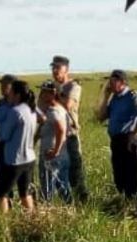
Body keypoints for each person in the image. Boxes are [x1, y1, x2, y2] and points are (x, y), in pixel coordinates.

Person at [98, 69, 137, 199]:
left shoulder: (133, 96)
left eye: (113, 81)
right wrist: (106, 96)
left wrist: (134, 135)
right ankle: (122, 198)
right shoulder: (114, 98)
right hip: (116, 140)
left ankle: (132, 199)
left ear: (122, 82)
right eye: (109, 81)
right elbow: (101, 116)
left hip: (129, 139)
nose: (110, 84)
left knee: (130, 172)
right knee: (118, 172)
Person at [50, 55, 89, 202]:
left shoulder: (74, 87)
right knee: (57, 171)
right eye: (53, 68)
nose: (55, 71)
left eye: (58, 68)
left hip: (70, 134)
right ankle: (65, 202)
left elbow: (67, 105)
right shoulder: (53, 86)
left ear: (67, 69)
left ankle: (82, 202)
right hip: (54, 134)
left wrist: (53, 96)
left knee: (75, 171)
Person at [0, 80, 37, 213]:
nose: (9, 95)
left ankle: (3, 226)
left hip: (14, 159)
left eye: (12, 92)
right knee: (25, 193)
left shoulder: (15, 112)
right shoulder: (32, 110)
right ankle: (32, 222)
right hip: (29, 157)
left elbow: (4, 135)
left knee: (2, 194)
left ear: (17, 95)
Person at [36, 81, 72, 203]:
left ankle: (47, 213)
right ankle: (70, 210)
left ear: (53, 93)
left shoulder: (54, 111)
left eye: (44, 92)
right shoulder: (58, 109)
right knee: (63, 187)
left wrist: (55, 151)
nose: (41, 95)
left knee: (47, 189)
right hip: (61, 155)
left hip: (51, 156)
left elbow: (61, 130)